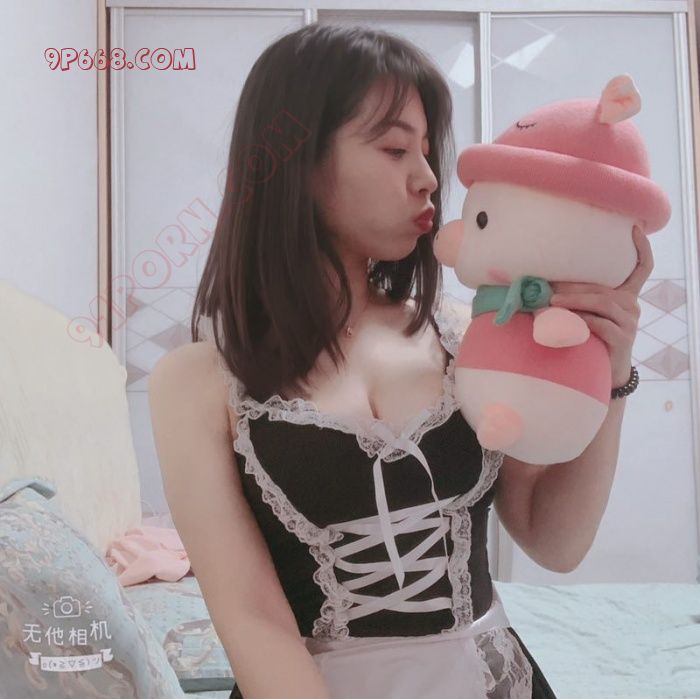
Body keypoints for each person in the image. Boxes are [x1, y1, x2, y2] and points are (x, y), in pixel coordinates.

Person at [148, 23, 559, 698]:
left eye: (426, 150)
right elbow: (252, 620)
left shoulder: (465, 333)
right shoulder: (198, 380)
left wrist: (612, 366)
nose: (428, 178)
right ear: (297, 161)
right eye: (395, 148)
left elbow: (554, 539)